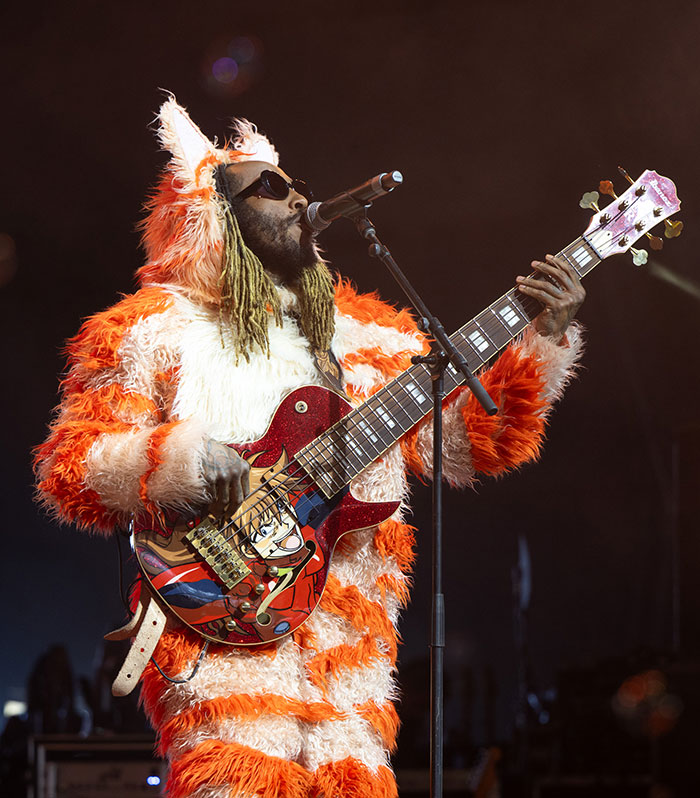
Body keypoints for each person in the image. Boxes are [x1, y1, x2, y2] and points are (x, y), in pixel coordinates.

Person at [34, 96, 585, 798]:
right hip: (221, 628)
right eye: (267, 187)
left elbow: (470, 447)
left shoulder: (373, 338)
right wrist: (178, 461)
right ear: (215, 218)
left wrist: (543, 337)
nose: (296, 194)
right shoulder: (152, 331)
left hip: (351, 647)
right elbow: (72, 467)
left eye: (292, 181)